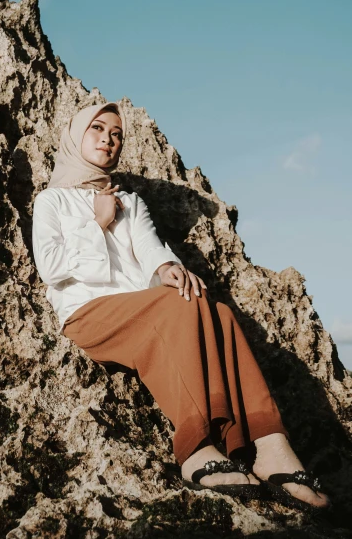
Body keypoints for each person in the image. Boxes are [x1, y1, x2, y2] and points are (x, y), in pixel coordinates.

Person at [32, 102, 330, 510]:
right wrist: (96, 223)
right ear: (77, 136)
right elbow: (50, 268)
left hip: (144, 307)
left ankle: (270, 445)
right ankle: (196, 448)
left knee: (215, 310)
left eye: (116, 134)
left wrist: (169, 267)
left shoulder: (129, 201)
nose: (107, 138)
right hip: (89, 313)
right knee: (172, 308)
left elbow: (151, 249)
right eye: (97, 129)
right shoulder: (52, 201)